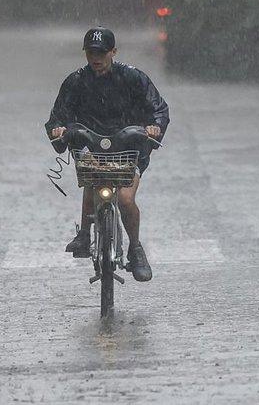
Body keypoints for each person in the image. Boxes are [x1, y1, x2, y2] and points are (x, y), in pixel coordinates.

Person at [45, 27, 170, 282]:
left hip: (129, 147)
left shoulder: (133, 77)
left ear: (113, 52)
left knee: (125, 199)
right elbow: (58, 115)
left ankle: (135, 248)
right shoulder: (76, 81)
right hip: (91, 146)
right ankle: (85, 234)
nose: (96, 58)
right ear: (85, 53)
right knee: (91, 175)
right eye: (91, 52)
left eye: (101, 52)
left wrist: (154, 127)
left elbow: (158, 108)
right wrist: (59, 129)